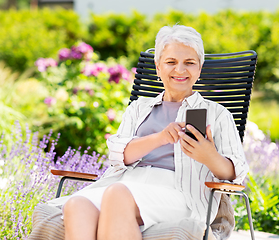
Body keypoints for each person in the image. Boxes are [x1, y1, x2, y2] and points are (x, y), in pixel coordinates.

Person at [48, 25, 249, 240]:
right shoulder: (139, 108)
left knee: (117, 195)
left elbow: (236, 173)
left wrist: (209, 156)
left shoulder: (217, 114)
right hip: (127, 182)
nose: (180, 70)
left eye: (189, 63)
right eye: (171, 62)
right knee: (77, 204)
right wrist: (160, 138)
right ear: (158, 66)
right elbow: (118, 156)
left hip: (180, 193)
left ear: (199, 68)